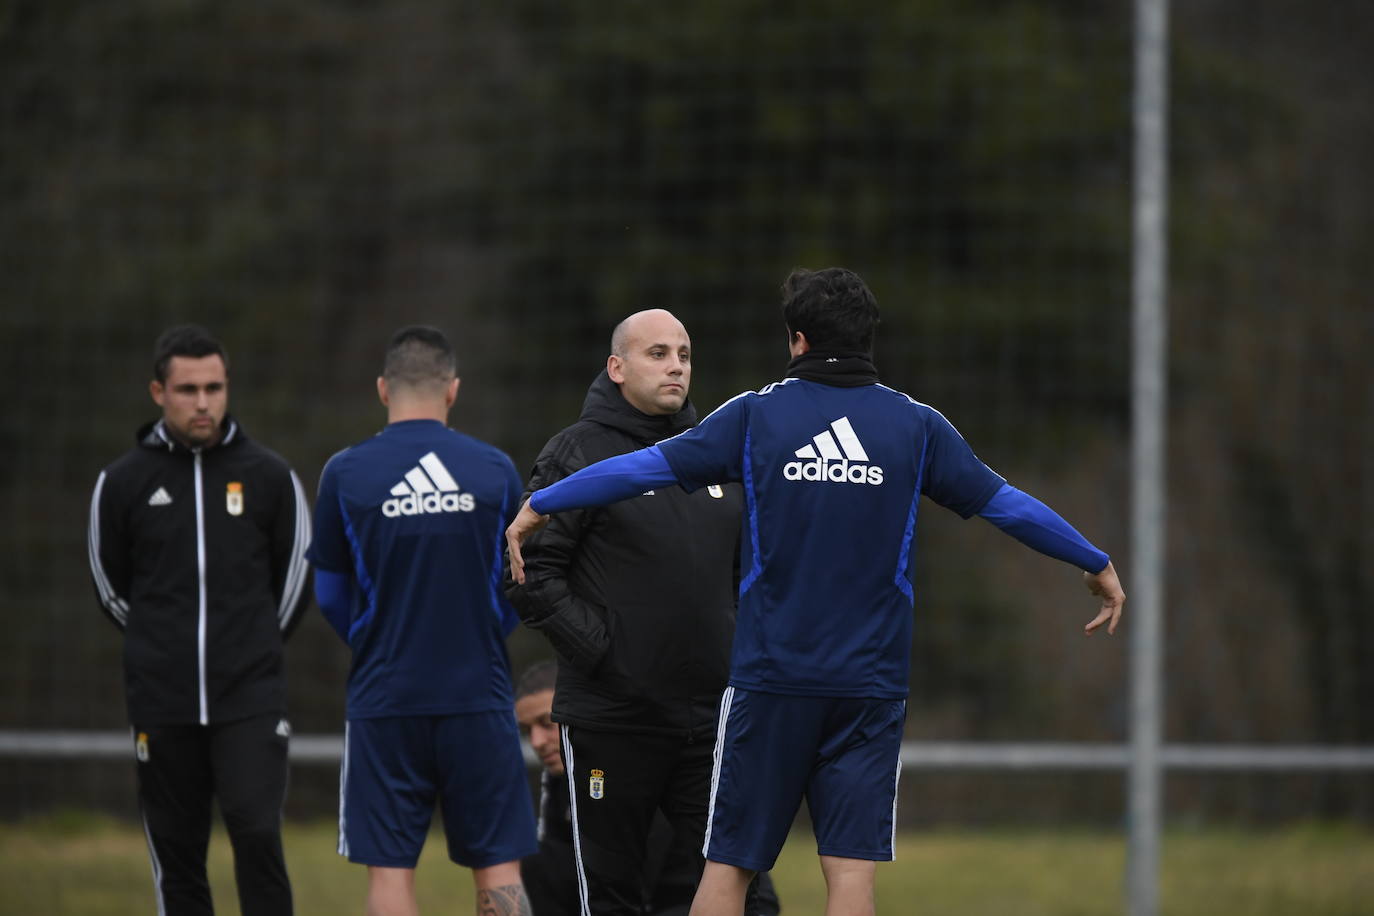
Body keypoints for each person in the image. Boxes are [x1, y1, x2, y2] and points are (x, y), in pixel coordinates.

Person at [506, 268, 1127, 916]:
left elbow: (640, 469)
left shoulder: (755, 415)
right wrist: (1093, 561)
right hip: (869, 688)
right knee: (851, 875)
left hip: (769, 684)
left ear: (797, 340)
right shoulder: (915, 425)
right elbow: (1007, 504)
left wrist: (542, 504)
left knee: (728, 870)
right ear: (868, 338)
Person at [504, 309, 746, 916]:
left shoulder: (716, 456)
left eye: (684, 355)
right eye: (657, 353)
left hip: (708, 723)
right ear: (617, 367)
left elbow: (744, 576)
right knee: (611, 894)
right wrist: (606, 652)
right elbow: (529, 571)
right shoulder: (576, 452)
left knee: (727, 883)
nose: (675, 367)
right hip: (614, 721)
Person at [308, 326, 536, 916]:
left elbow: (329, 592)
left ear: (384, 389)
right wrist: (479, 636)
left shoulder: (345, 473)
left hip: (386, 697)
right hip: (479, 694)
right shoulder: (493, 469)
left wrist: (374, 637)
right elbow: (518, 583)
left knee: (390, 874)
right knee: (500, 866)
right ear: (452, 390)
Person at [86, 325, 312, 915]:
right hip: (162, 701)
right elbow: (110, 586)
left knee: (257, 834)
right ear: (158, 392)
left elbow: (295, 578)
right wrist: (159, 647)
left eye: (214, 387)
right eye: (188, 390)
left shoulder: (270, 476)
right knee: (178, 854)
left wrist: (251, 647)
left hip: (250, 699)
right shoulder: (121, 482)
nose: (204, 402)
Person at [514, 661, 781, 916]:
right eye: (527, 731)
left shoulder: (633, 768)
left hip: (692, 903)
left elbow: (631, 879)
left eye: (546, 723)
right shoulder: (560, 780)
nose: (536, 742)